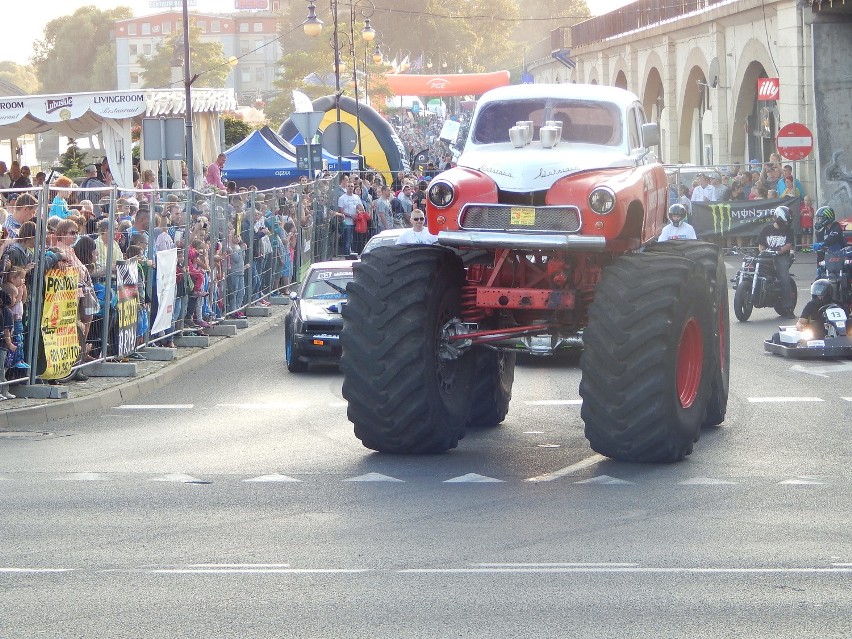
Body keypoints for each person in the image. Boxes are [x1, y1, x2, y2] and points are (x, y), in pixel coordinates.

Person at [757, 205, 796, 318]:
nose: (787, 223)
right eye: (785, 221)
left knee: (784, 277)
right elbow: (761, 245)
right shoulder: (766, 229)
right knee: (752, 266)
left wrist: (778, 251)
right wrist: (764, 252)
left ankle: (788, 308)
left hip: (781, 256)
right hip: (766, 256)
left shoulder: (789, 231)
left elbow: (789, 245)